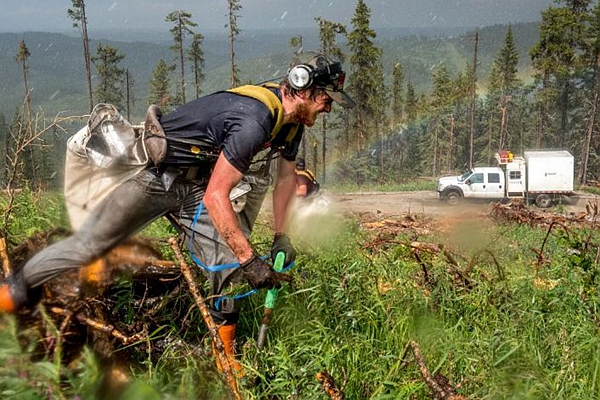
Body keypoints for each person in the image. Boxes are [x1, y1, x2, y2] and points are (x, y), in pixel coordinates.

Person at [0, 51, 355, 370]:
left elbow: (285, 180)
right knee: (89, 246)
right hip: (154, 178)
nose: (329, 107)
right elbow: (219, 197)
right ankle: (14, 289)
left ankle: (227, 360)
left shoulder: (290, 125)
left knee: (225, 264)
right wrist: (251, 259)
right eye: (327, 99)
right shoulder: (255, 121)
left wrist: (280, 236)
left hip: (194, 188)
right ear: (304, 90)